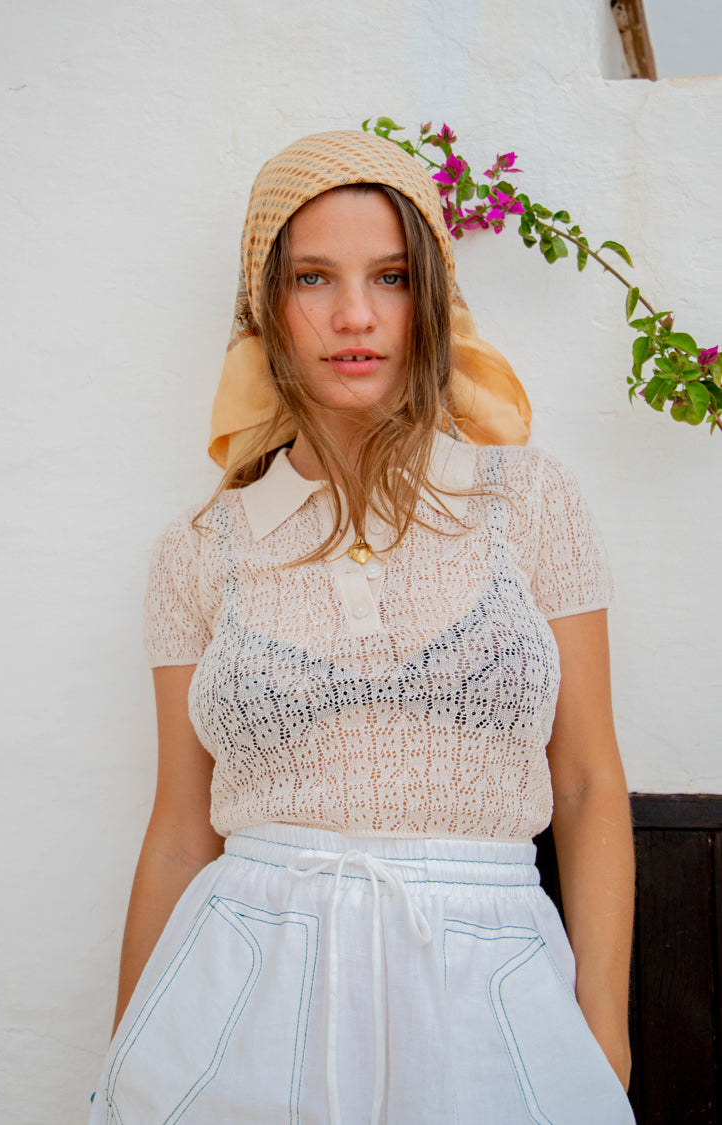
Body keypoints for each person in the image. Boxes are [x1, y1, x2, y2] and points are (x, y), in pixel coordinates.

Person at [89, 130, 636, 1124]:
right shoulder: (199, 550)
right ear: (264, 305)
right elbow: (178, 830)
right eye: (313, 278)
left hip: (492, 994)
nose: (355, 316)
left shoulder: (531, 501)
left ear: (434, 296)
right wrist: (123, 1058)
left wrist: (604, 1033)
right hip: (240, 998)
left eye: (391, 277)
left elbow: (589, 783)